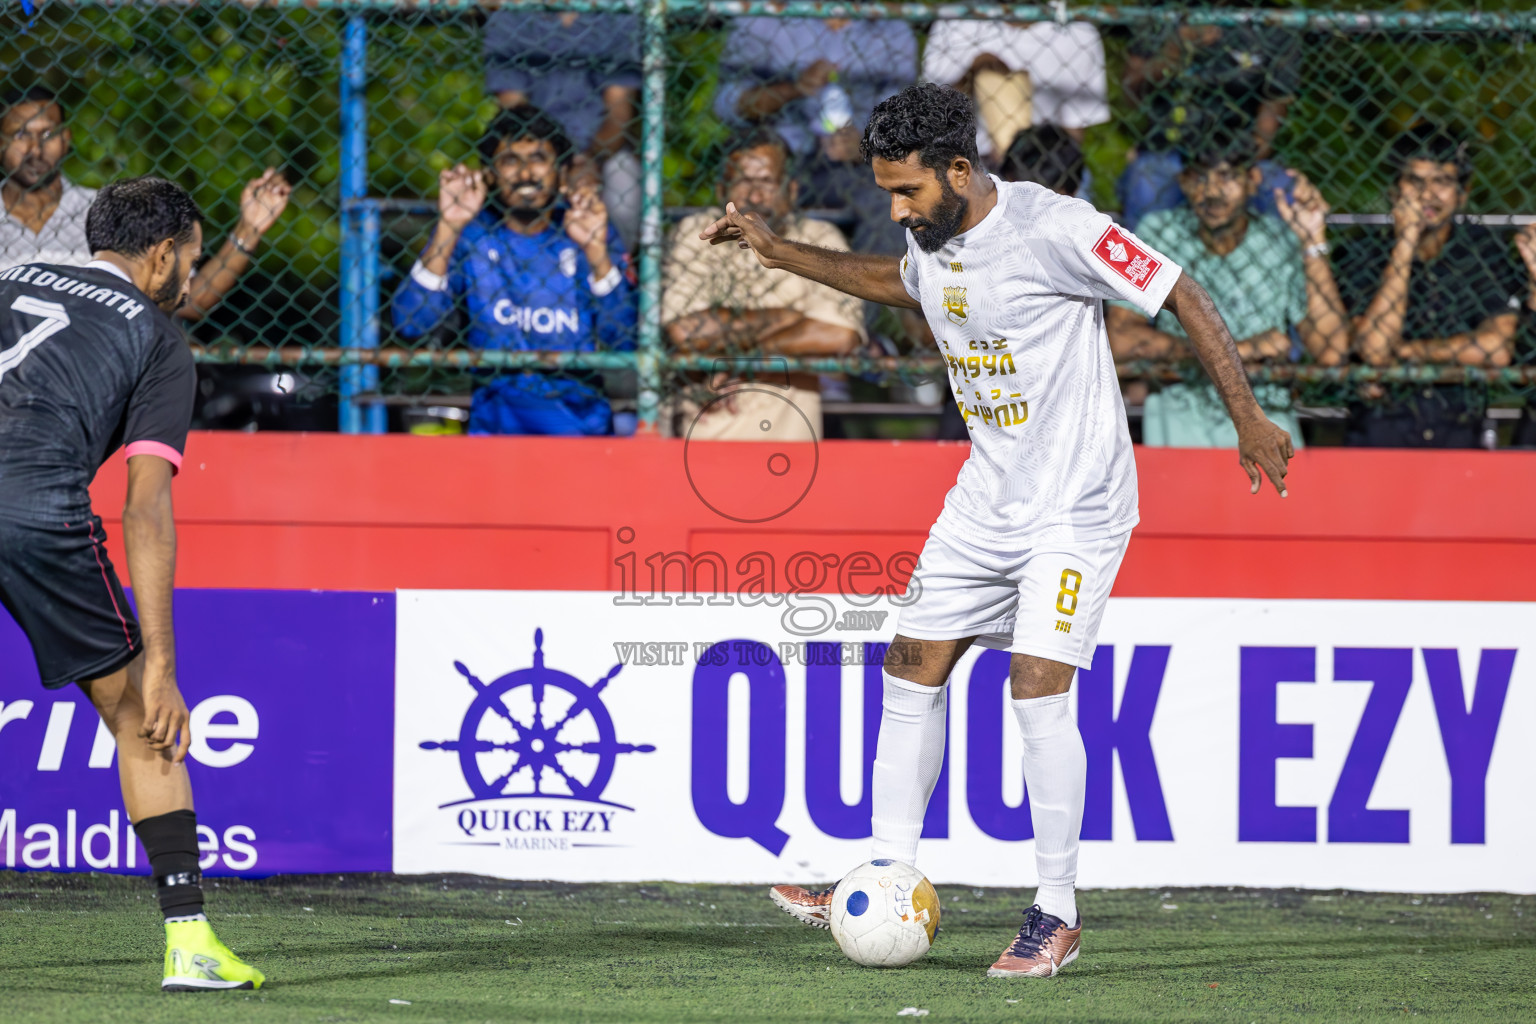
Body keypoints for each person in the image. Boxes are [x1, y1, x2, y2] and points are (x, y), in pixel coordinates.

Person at [700, 83, 1292, 977]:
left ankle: (1056, 912)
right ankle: (886, 873)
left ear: (960, 170)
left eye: (906, 193)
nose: (895, 210)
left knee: (1035, 685)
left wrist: (1245, 414)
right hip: (987, 498)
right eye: (886, 193)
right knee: (910, 664)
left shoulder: (1057, 228)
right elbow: (896, 282)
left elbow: (1180, 291)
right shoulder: (928, 234)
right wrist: (782, 252)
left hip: (1077, 503)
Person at [0, 176, 264, 991]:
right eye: (191, 254)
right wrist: (164, 670)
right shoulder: (159, 339)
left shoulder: (13, 276)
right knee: (137, 719)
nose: (192, 273)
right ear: (160, 256)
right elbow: (145, 509)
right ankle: (189, 944)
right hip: (33, 510)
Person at [391, 105, 636, 436]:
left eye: (538, 159)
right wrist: (448, 226)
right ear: (490, 174)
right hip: (495, 430)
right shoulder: (471, 235)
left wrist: (596, 253)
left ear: (563, 173)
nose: (525, 174)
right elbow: (410, 323)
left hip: (580, 428)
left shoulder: (588, 228)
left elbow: (625, 339)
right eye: (510, 161)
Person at [1107, 127, 1349, 446]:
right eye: (1200, 178)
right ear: (1183, 181)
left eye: (1227, 177)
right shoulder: (1158, 233)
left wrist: (1313, 243)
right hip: (1178, 430)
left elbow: (1331, 352)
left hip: (1267, 426)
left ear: (1253, 180)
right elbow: (1120, 340)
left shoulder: (1279, 239)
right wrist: (1242, 351)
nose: (1212, 191)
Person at [0, 87, 291, 320]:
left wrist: (248, 230)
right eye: (21, 134)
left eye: (48, 134)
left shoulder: (110, 213)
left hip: (89, 386)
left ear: (66, 140)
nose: (35, 149)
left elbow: (192, 300)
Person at [1338, 124, 1531, 446]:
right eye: (1415, 181)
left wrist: (1408, 351)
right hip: (1380, 429)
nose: (1428, 194)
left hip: (1458, 429)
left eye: (1442, 182)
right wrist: (1405, 243)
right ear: (1394, 190)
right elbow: (1374, 349)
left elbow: (1496, 349)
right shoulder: (1364, 250)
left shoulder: (1483, 251)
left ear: (1462, 193)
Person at [662, 131, 864, 439]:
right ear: (720, 191)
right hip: (704, 438)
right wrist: (789, 318)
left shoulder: (820, 238)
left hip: (792, 443)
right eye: (743, 183)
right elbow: (684, 331)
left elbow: (838, 335)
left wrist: (737, 356)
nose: (756, 197)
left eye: (768, 183)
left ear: (792, 190)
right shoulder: (694, 234)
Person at [714, 16, 918, 255]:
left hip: (855, 167)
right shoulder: (763, 19)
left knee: (894, 199)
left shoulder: (892, 29)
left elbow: (903, 119)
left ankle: (876, 289)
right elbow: (727, 105)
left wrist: (867, 144)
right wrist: (793, 90)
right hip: (781, 158)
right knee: (754, 194)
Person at [482, 11, 642, 252]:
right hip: (533, 148)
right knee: (507, 179)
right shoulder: (510, 20)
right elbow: (514, 114)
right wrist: (553, 164)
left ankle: (620, 268)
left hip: (602, 150)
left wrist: (587, 160)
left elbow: (618, 113)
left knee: (625, 187)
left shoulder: (617, 17)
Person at [1118, 23, 1301, 229]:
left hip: (1239, 157)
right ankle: (1136, 260)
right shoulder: (1161, 17)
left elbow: (1269, 120)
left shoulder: (1274, 28)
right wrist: (1176, 48)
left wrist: (1239, 166)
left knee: (1281, 188)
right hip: (1169, 151)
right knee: (1145, 180)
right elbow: (1132, 94)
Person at [921, 18, 1109, 174]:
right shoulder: (956, 24)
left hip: (1049, 162)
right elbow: (931, 117)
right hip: (972, 162)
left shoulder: (1077, 34)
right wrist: (969, 77)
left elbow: (1073, 130)